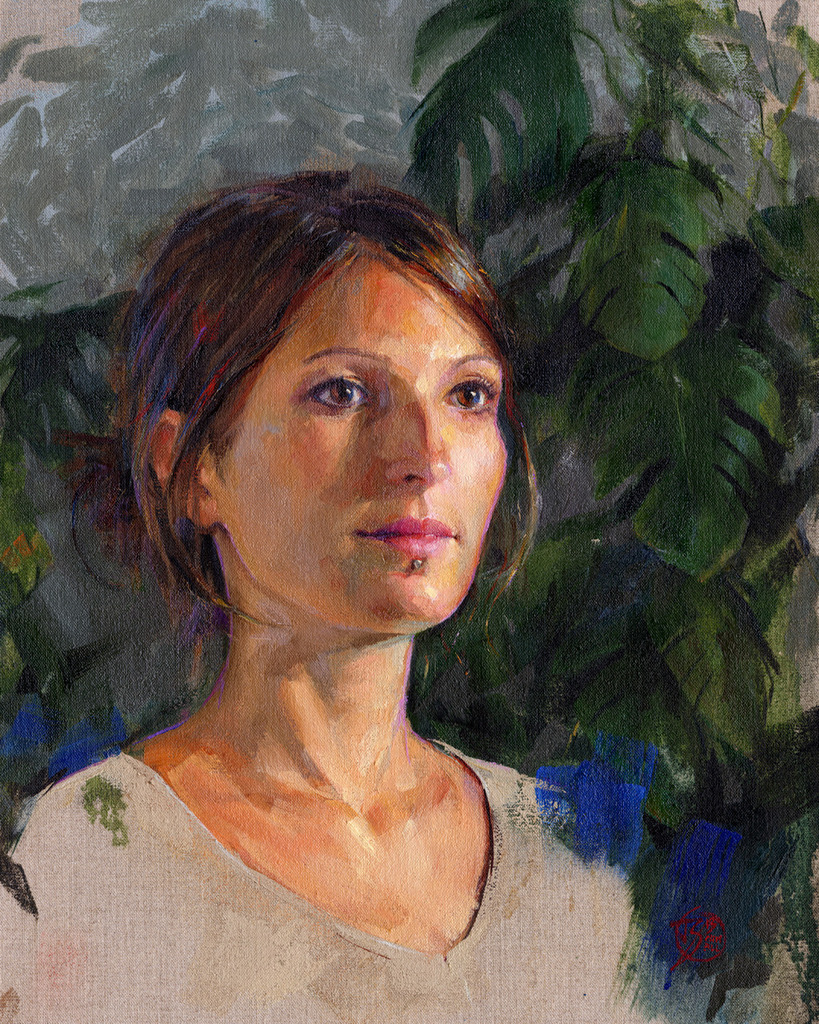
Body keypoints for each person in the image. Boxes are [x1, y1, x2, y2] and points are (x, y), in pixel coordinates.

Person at [0, 173, 640, 1023]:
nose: (424, 456)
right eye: (342, 392)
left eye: (467, 395)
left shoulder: (570, 863)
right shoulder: (85, 866)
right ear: (191, 468)